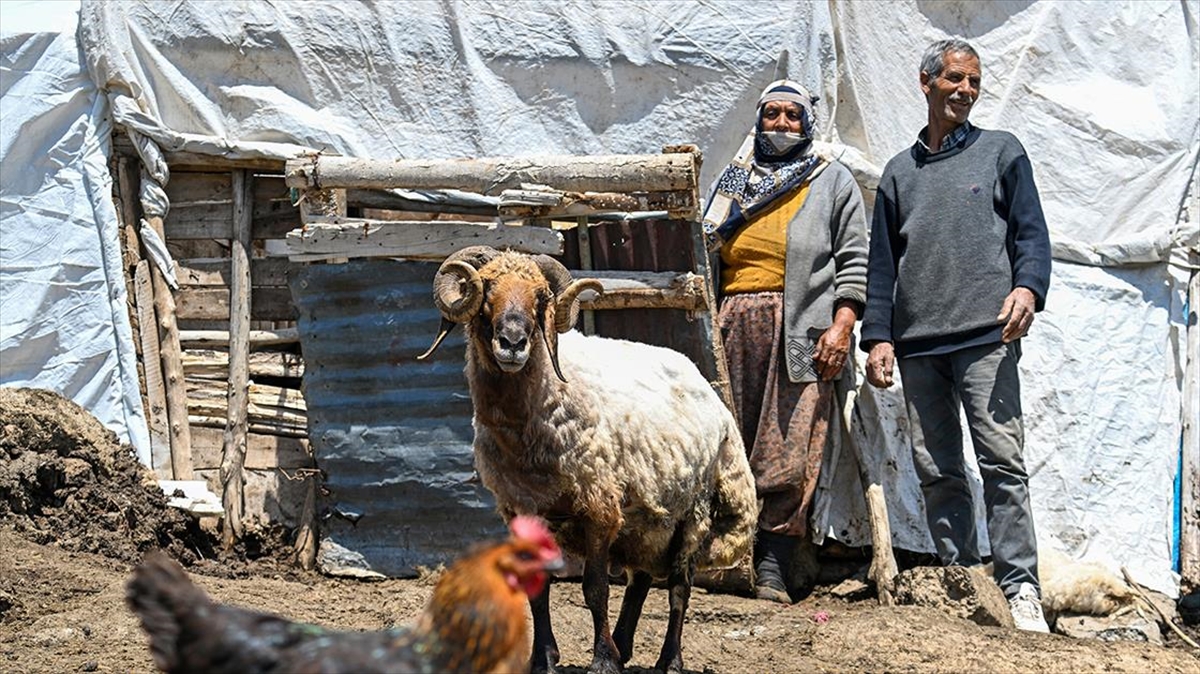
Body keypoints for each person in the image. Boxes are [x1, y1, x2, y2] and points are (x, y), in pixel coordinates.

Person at [861, 38, 1052, 632]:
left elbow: (1031, 235)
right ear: (926, 83)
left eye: (974, 81)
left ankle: (1019, 588)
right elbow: (883, 266)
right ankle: (962, 581)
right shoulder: (898, 173)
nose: (966, 91)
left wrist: (1028, 288)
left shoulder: (1001, 152)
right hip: (919, 345)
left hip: (985, 336)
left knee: (1001, 462)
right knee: (936, 468)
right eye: (955, 79)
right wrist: (879, 336)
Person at [702, 80, 869, 604]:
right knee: (725, 440)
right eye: (771, 114)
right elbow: (706, 245)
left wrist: (842, 327)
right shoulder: (735, 177)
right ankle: (724, 557)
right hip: (730, 323)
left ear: (807, 123)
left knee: (789, 444)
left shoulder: (831, 180)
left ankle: (773, 564)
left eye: (790, 116)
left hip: (799, 330)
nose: (779, 124)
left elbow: (855, 264)